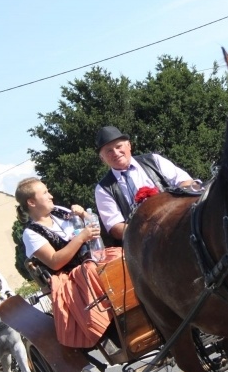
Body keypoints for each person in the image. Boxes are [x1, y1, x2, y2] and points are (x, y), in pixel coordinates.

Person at [15, 177, 117, 349]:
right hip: (69, 274)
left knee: (120, 256)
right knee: (91, 270)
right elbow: (55, 262)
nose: (51, 196)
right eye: (45, 193)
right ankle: (110, 322)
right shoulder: (30, 233)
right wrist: (81, 237)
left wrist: (85, 215)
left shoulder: (60, 212)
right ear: (31, 202)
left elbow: (95, 230)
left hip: (92, 258)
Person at [94, 126, 194, 245]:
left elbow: (187, 182)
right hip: (144, 248)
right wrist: (150, 231)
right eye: (109, 151)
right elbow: (115, 227)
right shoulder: (103, 189)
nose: (115, 153)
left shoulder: (154, 160)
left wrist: (173, 215)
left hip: (180, 227)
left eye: (118, 146)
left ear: (129, 145)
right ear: (102, 158)